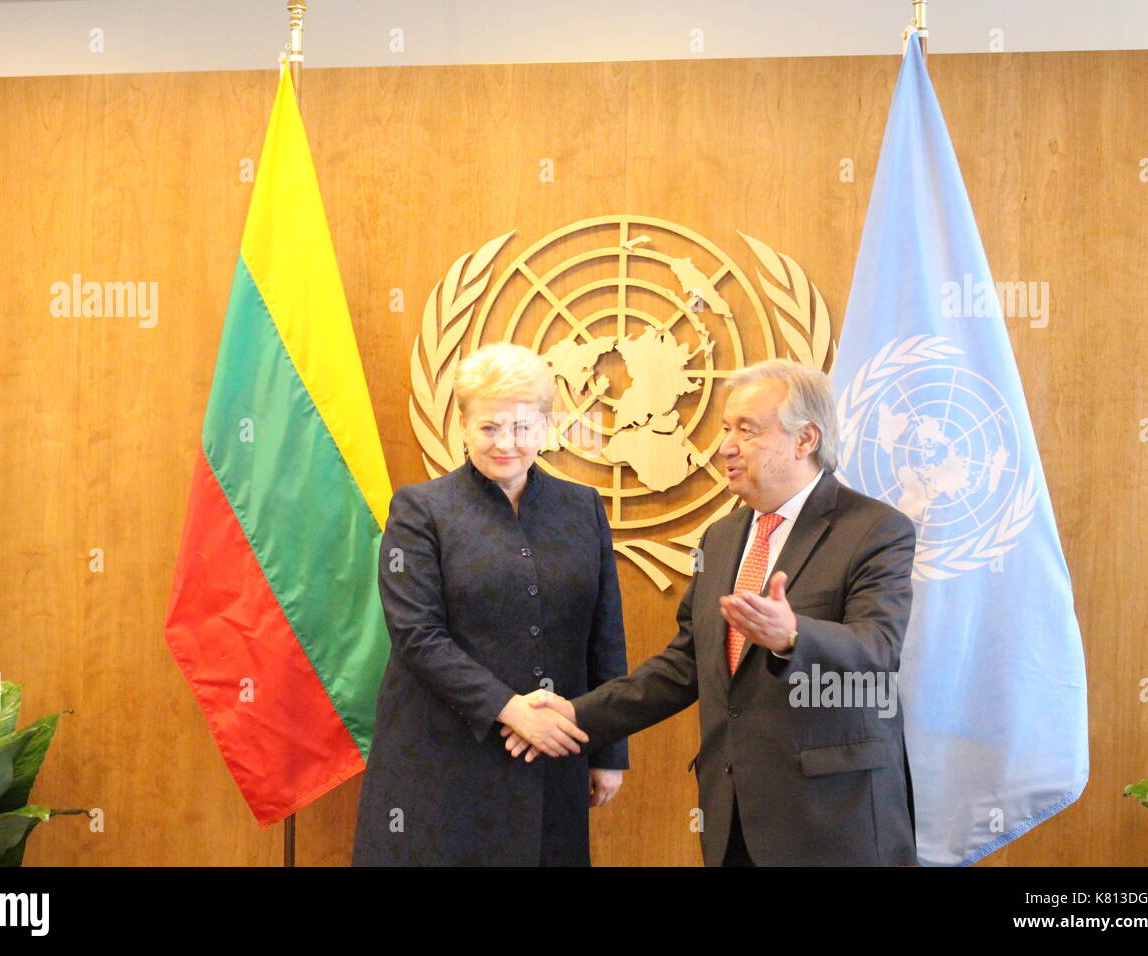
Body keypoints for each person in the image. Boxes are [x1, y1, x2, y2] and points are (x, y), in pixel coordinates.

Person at [505, 359, 917, 866]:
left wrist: (793, 637)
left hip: (835, 821)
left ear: (805, 439)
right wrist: (576, 713)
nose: (725, 446)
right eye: (726, 428)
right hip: (732, 817)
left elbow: (879, 650)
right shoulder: (721, 538)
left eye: (747, 430)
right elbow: (685, 666)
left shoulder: (875, 529)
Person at [352, 342, 628, 866]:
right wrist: (510, 710)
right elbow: (417, 635)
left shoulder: (583, 508)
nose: (507, 443)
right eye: (489, 427)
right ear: (462, 424)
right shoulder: (421, 509)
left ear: (545, 426)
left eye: (523, 428)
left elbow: (604, 634)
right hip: (443, 757)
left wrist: (607, 749)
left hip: (553, 753)